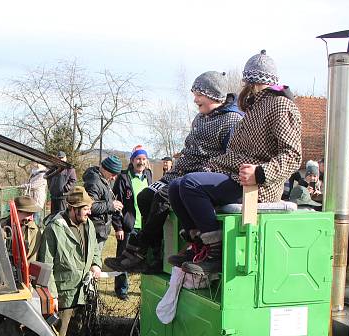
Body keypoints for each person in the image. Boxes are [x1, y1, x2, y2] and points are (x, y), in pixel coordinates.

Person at [167, 50, 302, 274]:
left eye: (248, 80)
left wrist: (260, 173)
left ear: (255, 81)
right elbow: (237, 152)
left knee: (191, 185)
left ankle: (217, 254)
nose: (244, 85)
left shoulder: (280, 105)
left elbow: (293, 155)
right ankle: (198, 245)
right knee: (176, 186)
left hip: (257, 184)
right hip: (235, 174)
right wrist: (213, 166)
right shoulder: (254, 107)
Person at [108, 72, 243, 273]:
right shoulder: (199, 118)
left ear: (214, 95)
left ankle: (140, 251)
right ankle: (153, 255)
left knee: (163, 197)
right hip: (179, 171)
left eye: (199, 94)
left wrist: (204, 171)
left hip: (201, 174)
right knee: (145, 196)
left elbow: (231, 157)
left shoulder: (232, 120)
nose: (195, 99)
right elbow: (189, 150)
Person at [37, 186, 102, 336]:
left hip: (82, 292)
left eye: (89, 207)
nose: (89, 211)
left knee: (75, 334)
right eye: (85, 208)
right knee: (57, 335)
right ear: (72, 208)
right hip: (63, 294)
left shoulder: (88, 224)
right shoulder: (54, 229)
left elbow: (95, 248)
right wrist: (52, 295)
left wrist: (96, 264)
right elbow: (46, 263)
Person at [112, 146, 152, 298]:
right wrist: (118, 226)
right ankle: (121, 290)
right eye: (138, 159)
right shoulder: (123, 178)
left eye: (143, 159)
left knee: (144, 258)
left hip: (145, 226)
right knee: (123, 258)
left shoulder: (148, 175)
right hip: (128, 226)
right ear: (132, 160)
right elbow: (116, 203)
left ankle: (146, 288)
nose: (140, 162)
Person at [82, 155, 123, 255]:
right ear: (105, 169)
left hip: (101, 230)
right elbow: (90, 206)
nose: (114, 178)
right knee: (92, 261)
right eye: (113, 174)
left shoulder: (104, 180)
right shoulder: (94, 182)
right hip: (95, 230)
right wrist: (111, 206)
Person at [1, 195, 42, 261]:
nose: (30, 218)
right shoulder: (1, 227)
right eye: (27, 213)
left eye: (32, 214)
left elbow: (32, 258)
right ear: (16, 212)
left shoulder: (34, 230)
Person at [47, 151, 77, 215]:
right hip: (53, 197)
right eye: (59, 158)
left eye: (62, 158)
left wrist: (65, 189)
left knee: (63, 217)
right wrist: (50, 187)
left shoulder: (70, 169)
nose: (60, 159)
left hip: (63, 198)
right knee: (53, 216)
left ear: (65, 158)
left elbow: (73, 180)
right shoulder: (53, 168)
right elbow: (48, 178)